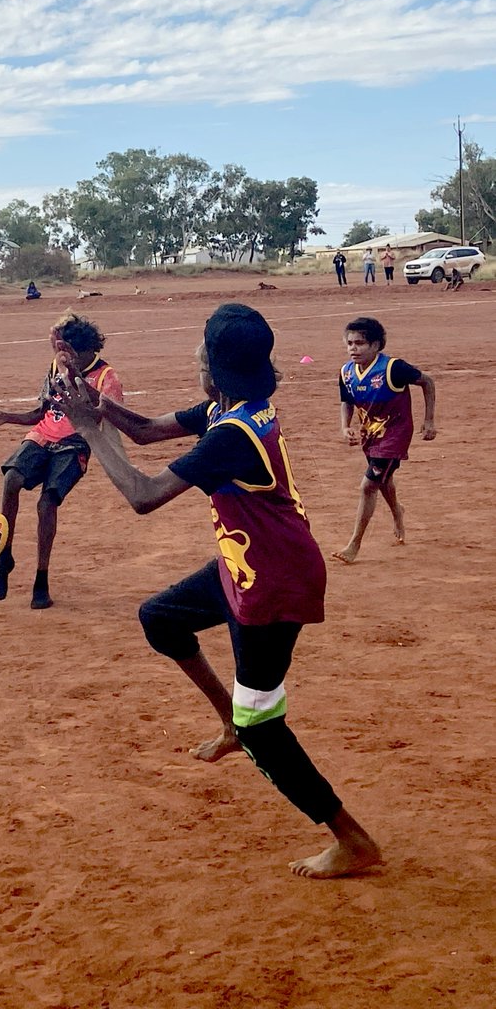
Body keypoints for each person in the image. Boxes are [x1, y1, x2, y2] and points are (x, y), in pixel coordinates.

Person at [56, 303, 382, 879]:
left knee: (264, 724)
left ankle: (351, 839)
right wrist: (98, 407)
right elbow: (150, 429)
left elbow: (143, 494)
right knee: (161, 618)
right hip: (245, 563)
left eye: (200, 350)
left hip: (277, 581)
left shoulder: (232, 432)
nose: (194, 357)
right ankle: (230, 723)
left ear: (214, 370)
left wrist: (87, 429)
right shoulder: (230, 407)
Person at [0, 312, 123, 611]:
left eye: (64, 348)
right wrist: (7, 417)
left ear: (80, 350)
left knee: (46, 502)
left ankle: (41, 578)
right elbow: (41, 411)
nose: (59, 353)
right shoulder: (56, 365)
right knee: (11, 479)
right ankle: (6, 554)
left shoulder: (107, 377)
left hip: (76, 444)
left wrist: (76, 378)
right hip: (43, 436)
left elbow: (105, 416)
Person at [333, 316, 436, 565]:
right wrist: (345, 426)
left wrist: (429, 420)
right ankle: (397, 512)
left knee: (368, 485)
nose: (353, 349)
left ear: (377, 345)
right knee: (383, 479)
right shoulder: (346, 372)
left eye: (360, 343)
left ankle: (354, 544)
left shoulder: (393, 368)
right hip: (370, 435)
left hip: (395, 435)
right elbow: (347, 401)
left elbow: (427, 382)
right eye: (349, 343)